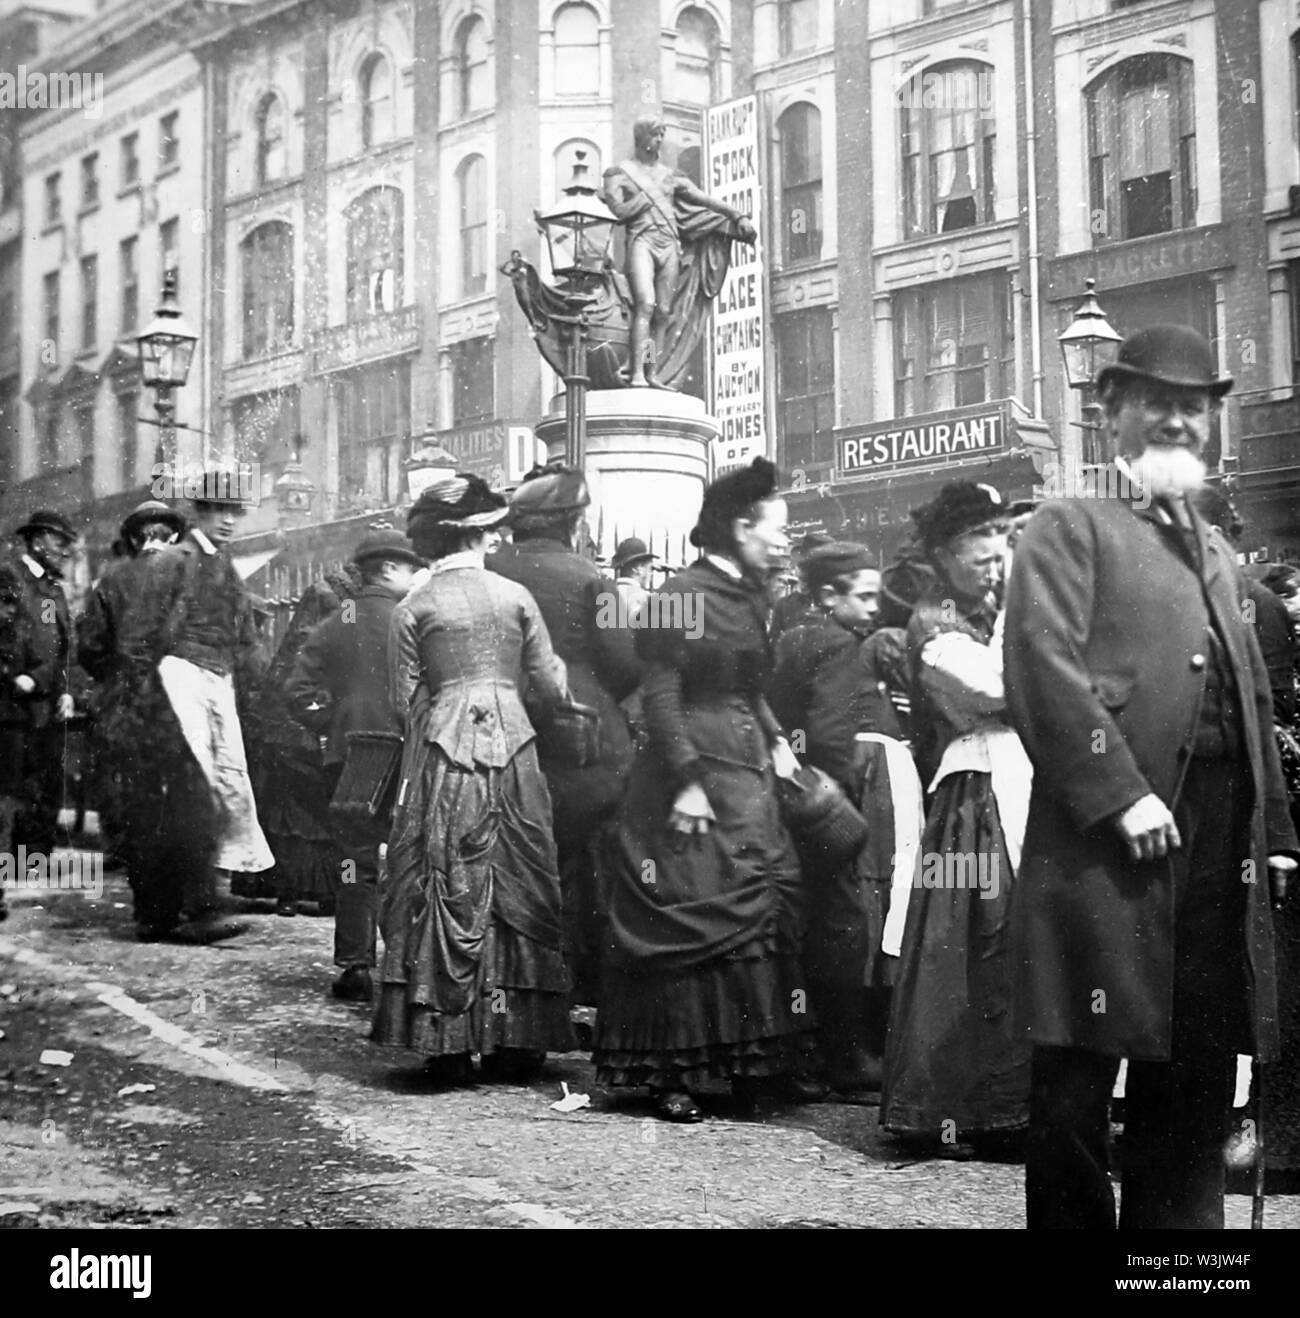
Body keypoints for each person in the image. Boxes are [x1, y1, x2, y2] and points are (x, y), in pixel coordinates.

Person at [1003, 324, 1298, 1228]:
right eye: (1157, 404)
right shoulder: (1069, 527)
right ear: (1110, 413)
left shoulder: (1211, 547)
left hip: (1217, 838)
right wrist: (1117, 791)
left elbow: (1249, 694)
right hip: (1105, 845)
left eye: (1195, 407)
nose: (1178, 420)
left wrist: (1277, 834)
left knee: (1194, 1068)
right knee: (1075, 1080)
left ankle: (1178, 1268)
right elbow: (1039, 666)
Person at [593, 457, 813, 1122]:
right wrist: (687, 782)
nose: (784, 539)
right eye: (777, 527)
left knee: (756, 897)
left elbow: (749, 688)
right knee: (689, 903)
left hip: (744, 763)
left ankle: (745, 1066)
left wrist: (777, 741)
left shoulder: (752, 595)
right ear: (741, 527)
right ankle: (673, 1076)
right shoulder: (680, 595)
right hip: (687, 766)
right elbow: (660, 696)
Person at [372, 473, 575, 1082]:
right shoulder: (515, 596)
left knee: (445, 875)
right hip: (513, 748)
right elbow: (550, 683)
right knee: (519, 873)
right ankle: (517, 1038)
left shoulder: (415, 605)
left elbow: (401, 696)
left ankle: (450, 1043)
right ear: (485, 535)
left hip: (444, 750)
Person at [880, 482, 1033, 1150]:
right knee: (970, 945)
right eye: (980, 554)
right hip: (972, 794)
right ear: (944, 556)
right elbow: (998, 689)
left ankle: (1012, 1106)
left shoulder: (990, 605)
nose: (995, 565)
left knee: (1011, 944)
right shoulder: (931, 623)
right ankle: (956, 1109)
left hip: (1019, 782)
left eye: (1001, 551)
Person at [489, 465, 642, 1008]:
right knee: (588, 858)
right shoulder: (591, 579)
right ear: (573, 522)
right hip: (581, 731)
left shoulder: (489, 568)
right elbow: (624, 663)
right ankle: (581, 981)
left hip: (501, 726)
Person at [770, 542, 916, 1096]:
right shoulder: (838, 645)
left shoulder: (791, 637)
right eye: (864, 596)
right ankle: (847, 1056)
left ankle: (811, 1048)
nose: (875, 606)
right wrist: (841, 796)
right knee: (846, 921)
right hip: (831, 797)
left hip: (791, 786)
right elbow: (832, 733)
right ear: (829, 596)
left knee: (809, 917)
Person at [77, 498, 236, 941]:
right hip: (181, 702)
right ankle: (197, 906)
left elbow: (89, 646)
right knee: (190, 800)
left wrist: (116, 675)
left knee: (141, 811)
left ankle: (154, 914)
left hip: (129, 710)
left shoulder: (112, 579)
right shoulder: (193, 569)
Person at [286, 529, 423, 1001]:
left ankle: (355, 964)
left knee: (354, 860)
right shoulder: (412, 620)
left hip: (349, 756)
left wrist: (332, 720)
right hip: (407, 751)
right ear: (387, 570)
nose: (416, 574)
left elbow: (296, 692)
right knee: (410, 857)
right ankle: (408, 965)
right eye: (410, 567)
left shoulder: (336, 621)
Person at [147, 480, 275, 925]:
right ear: (198, 512)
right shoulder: (174, 560)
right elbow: (143, 633)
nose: (228, 520)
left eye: (235, 512)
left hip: (219, 680)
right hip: (180, 673)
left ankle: (201, 896)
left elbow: (245, 634)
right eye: (218, 510)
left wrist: (264, 684)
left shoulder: (224, 564)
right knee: (194, 784)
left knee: (228, 783)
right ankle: (182, 905)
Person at [244, 563, 363, 917]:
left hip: (292, 726)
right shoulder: (341, 600)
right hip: (306, 726)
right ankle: (320, 891)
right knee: (312, 810)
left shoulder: (330, 600)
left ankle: (292, 893)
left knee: (295, 811)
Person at [602, 115, 757, 386]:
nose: (659, 139)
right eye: (655, 134)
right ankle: (636, 372)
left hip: (669, 243)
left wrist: (737, 215)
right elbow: (618, 211)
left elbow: (705, 199)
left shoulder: (670, 176)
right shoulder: (620, 173)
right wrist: (645, 198)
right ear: (641, 137)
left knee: (662, 312)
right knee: (646, 305)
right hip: (642, 241)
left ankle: (651, 371)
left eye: (662, 134)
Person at [0, 510, 78, 860]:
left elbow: (59, 644)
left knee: (43, 787)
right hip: (11, 705)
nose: (65, 549)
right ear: (35, 540)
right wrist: (15, 673)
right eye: (57, 540)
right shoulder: (8, 579)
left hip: (44, 705)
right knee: (9, 792)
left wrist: (65, 690)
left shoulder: (51, 590)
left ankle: (26, 860)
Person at [611, 537, 656, 621]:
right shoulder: (646, 599)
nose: (652, 573)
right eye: (650, 568)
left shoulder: (604, 593)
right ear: (638, 568)